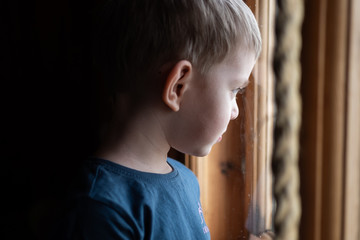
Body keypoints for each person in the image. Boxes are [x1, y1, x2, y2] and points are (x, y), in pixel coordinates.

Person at [54, 0, 263, 239]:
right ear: (177, 87)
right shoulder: (101, 210)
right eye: (234, 90)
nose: (236, 111)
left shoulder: (185, 180)